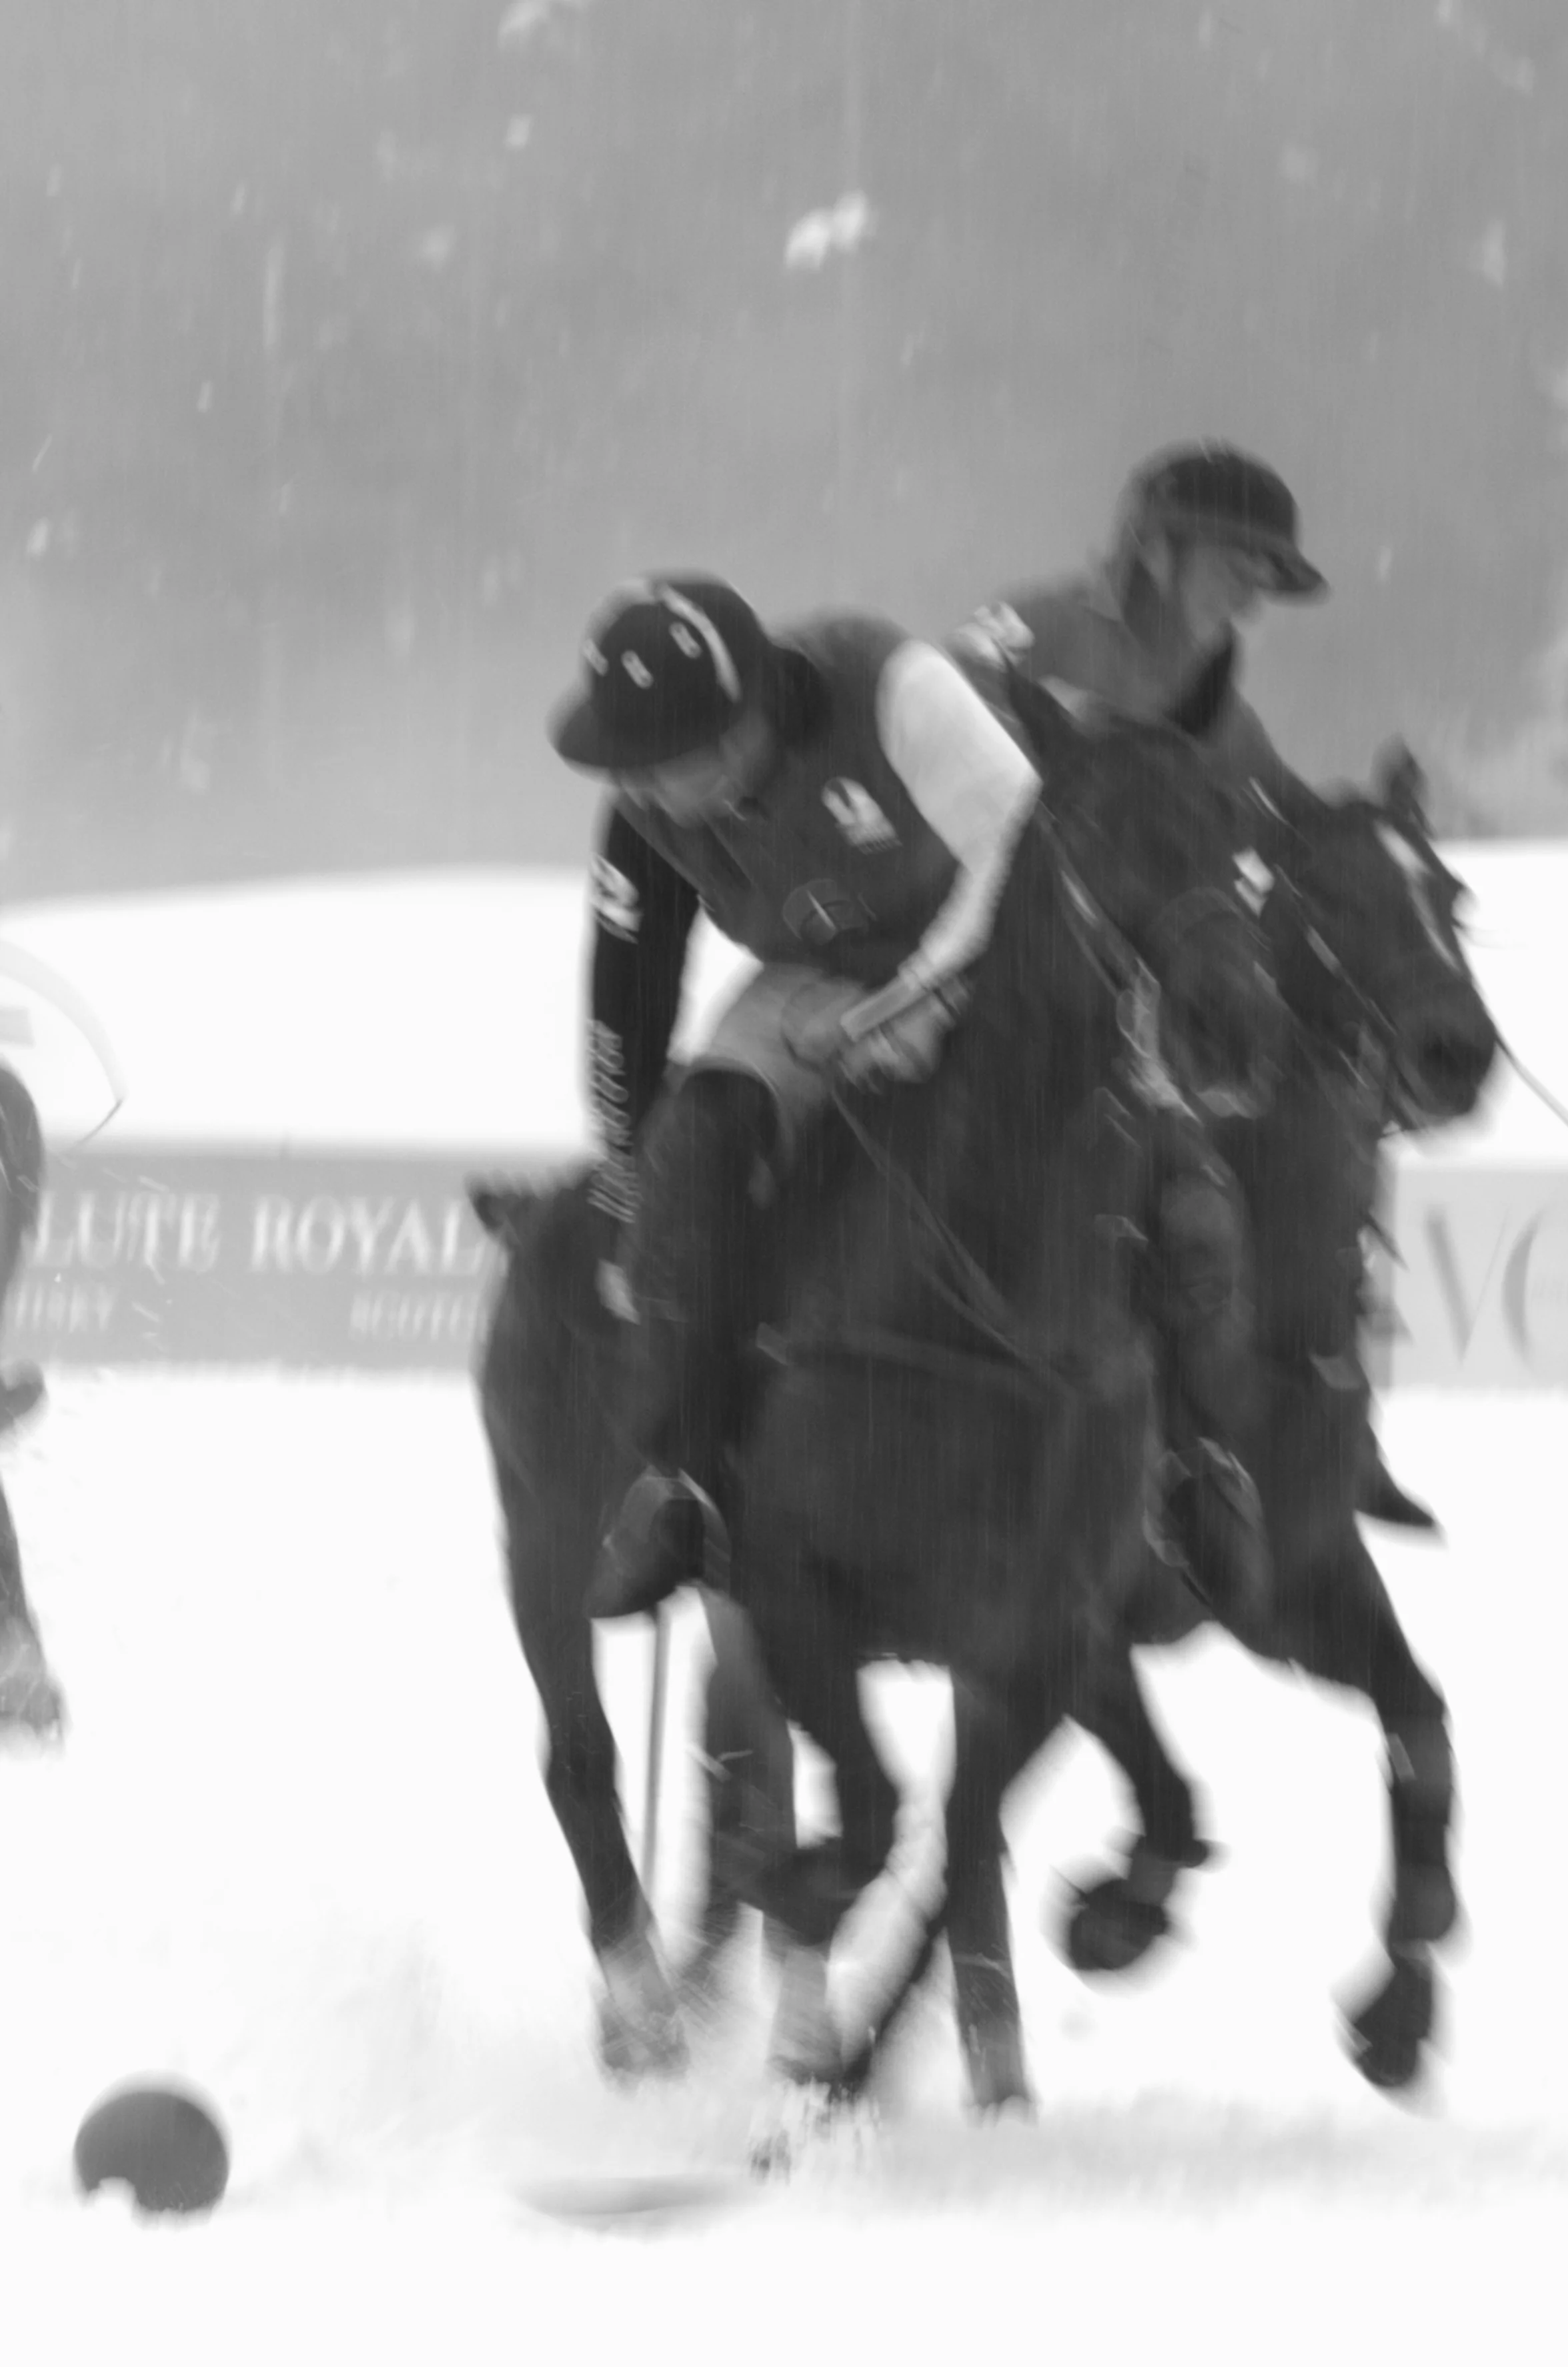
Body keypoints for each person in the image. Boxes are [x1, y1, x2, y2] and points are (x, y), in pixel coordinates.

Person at [548, 572, 1274, 1627]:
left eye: (669, 761)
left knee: (1187, 1202)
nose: (647, 786)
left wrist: (920, 1001)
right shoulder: (648, 810)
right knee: (695, 1150)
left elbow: (1025, 847)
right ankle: (685, 1479)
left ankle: (1200, 1468)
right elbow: (628, 985)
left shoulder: (894, 688)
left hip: (1004, 959)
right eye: (631, 765)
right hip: (815, 978)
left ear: (745, 720)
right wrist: (629, 1153)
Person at [953, 441, 1435, 1534]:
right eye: (1238, 564)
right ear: (1157, 548)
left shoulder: (1220, 703)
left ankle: (1251, 1444)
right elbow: (941, 696)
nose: (1252, 599)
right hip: (969, 961)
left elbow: (1288, 823)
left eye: (1268, 579)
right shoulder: (1046, 625)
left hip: (1116, 1011)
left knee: (1301, 1136)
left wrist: (1383, 842)